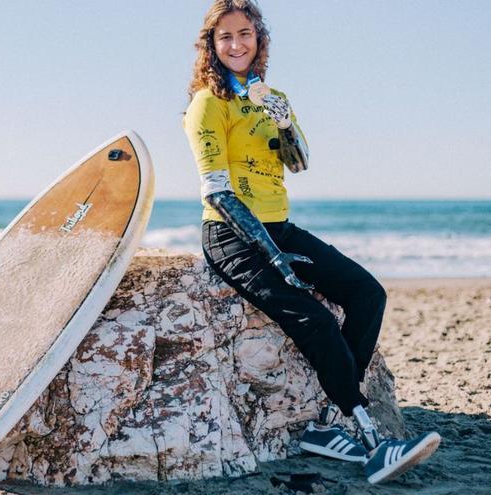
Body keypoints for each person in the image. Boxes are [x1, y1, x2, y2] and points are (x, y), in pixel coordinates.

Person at [182, 0, 440, 485]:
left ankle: (325, 425)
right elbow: (216, 191)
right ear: (211, 47)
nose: (236, 44)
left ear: (259, 41)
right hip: (232, 236)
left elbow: (298, 164)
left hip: (279, 226)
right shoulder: (207, 104)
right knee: (317, 320)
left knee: (367, 294)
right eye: (225, 37)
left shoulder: (272, 96)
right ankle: (369, 440)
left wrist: (280, 118)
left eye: (245, 34)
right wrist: (272, 255)